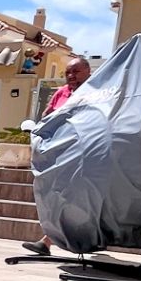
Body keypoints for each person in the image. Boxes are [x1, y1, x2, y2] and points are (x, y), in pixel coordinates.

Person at [21, 57, 93, 255]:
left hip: (84, 155)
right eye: (68, 72)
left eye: (76, 71)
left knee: (73, 197)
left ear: (88, 72)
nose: (71, 76)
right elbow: (46, 116)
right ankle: (48, 241)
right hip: (61, 155)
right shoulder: (62, 93)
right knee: (57, 196)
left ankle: (52, 240)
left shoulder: (97, 92)